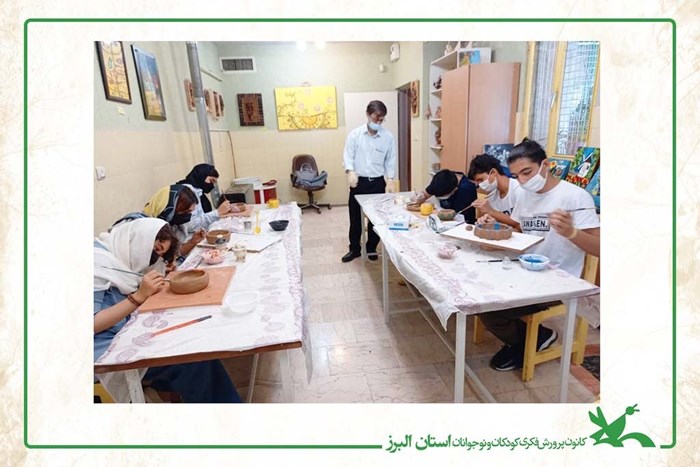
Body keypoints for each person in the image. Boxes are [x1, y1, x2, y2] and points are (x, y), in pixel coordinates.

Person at [478, 138, 600, 372]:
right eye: (517, 176)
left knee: (490, 310)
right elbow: (521, 230)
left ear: (546, 164)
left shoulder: (575, 196)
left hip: (558, 278)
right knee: (478, 290)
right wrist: (494, 225)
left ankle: (535, 339)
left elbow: (600, 248)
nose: (523, 181)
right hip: (524, 268)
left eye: (527, 172)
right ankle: (526, 339)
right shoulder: (524, 195)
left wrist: (571, 232)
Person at [94, 217, 242, 402]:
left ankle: (180, 392)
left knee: (191, 334)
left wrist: (161, 271)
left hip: (126, 329)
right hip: (103, 349)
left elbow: (133, 281)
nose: (154, 258)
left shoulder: (121, 255)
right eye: (156, 250)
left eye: (160, 254)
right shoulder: (96, 264)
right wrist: (138, 297)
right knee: (192, 358)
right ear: (139, 242)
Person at [341, 100, 398, 262]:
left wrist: (390, 179)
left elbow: (391, 159)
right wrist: (350, 171)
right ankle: (354, 249)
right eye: (375, 118)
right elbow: (348, 155)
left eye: (381, 119)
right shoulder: (355, 135)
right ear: (367, 114)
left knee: (376, 219)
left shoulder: (387, 137)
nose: (378, 122)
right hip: (358, 182)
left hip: (377, 183)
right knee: (355, 219)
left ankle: (371, 247)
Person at [176, 164, 232, 237]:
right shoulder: (187, 192)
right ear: (201, 176)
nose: (212, 185)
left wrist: (222, 211)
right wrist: (217, 212)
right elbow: (190, 225)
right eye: (211, 181)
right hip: (186, 238)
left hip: (197, 234)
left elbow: (200, 217)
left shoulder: (197, 190)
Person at [467, 154, 521, 228]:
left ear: (493, 172)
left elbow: (521, 224)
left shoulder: (519, 189)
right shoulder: (491, 197)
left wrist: (491, 211)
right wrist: (485, 220)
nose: (479, 185)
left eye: (481, 180)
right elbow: (497, 225)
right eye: (477, 182)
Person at [411, 169, 478, 224]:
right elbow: (425, 194)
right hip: (443, 219)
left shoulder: (466, 189)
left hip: (462, 223)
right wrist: (418, 198)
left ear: (455, 190)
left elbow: (456, 216)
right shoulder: (442, 179)